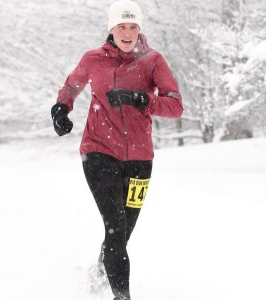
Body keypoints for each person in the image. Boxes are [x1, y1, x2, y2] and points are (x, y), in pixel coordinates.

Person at [51, 0, 183, 299]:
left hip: (140, 160)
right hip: (98, 152)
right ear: (111, 28)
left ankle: (100, 273)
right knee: (115, 225)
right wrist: (61, 109)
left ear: (140, 29)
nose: (127, 32)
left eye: (133, 26)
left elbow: (175, 106)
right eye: (121, 26)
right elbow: (71, 86)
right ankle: (121, 296)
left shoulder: (153, 61)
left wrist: (142, 100)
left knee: (122, 233)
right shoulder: (93, 59)